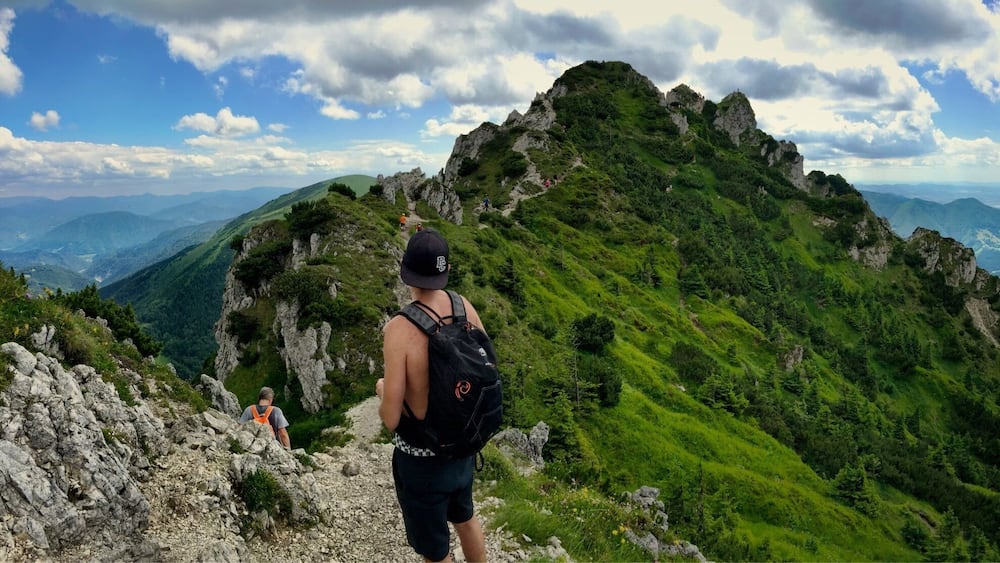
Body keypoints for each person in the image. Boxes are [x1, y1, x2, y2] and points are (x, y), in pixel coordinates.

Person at [376, 228, 487, 563]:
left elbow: (391, 419)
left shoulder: (400, 328)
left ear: (406, 272)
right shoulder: (463, 306)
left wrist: (382, 389)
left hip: (422, 462)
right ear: (446, 270)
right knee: (466, 519)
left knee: (436, 551)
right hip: (462, 447)